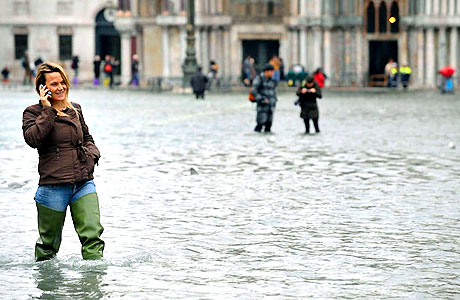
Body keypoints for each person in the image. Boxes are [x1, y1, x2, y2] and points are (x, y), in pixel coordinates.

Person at [22, 62, 104, 261]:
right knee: (47, 247)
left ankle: (93, 285)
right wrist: (48, 110)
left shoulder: (75, 109)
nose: (60, 87)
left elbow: (87, 138)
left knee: (93, 237)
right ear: (43, 88)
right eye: (54, 84)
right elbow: (33, 139)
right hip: (53, 185)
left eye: (62, 82)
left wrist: (92, 157)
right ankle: (48, 289)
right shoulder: (32, 113)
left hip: (83, 182)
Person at [251, 63, 277, 133]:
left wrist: (274, 100)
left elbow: (273, 92)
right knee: (260, 124)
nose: (272, 73)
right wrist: (262, 99)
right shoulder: (259, 79)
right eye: (271, 71)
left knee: (268, 126)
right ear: (266, 71)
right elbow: (253, 90)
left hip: (270, 107)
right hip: (262, 107)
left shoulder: (272, 81)